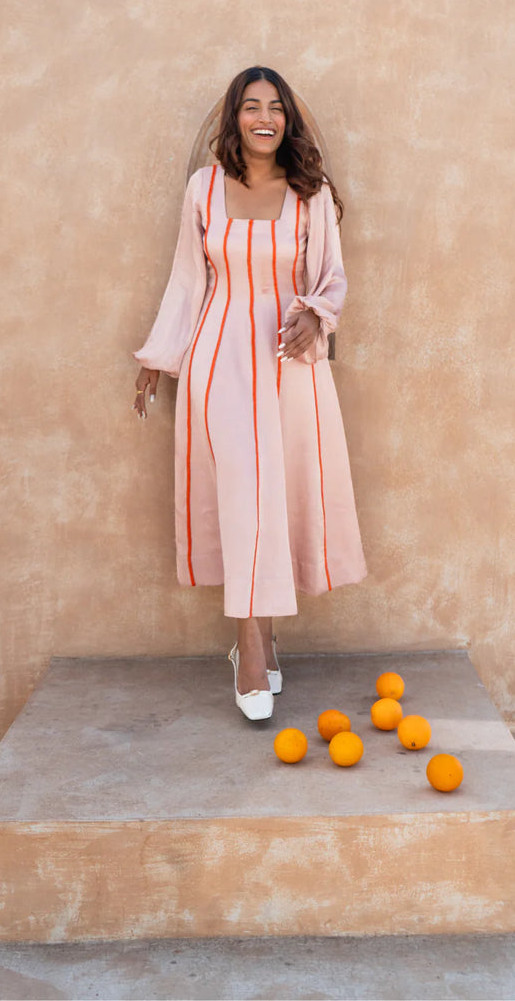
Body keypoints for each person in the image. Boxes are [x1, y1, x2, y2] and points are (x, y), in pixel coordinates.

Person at [132, 66, 366, 721]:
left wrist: (314, 314)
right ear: (233, 117)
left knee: (275, 499)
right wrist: (160, 355)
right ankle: (249, 648)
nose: (264, 118)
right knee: (242, 496)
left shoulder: (310, 192)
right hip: (218, 357)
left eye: (276, 109)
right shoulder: (203, 189)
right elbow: (186, 282)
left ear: (288, 121)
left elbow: (332, 278)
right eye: (250, 107)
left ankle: (264, 635)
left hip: (289, 362)